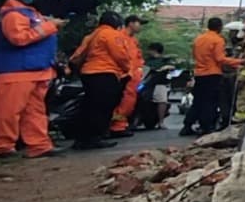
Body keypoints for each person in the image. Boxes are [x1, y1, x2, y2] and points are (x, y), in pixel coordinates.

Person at [0, 0, 68, 159]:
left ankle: (39, 145)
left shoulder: (30, 14)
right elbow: (19, 38)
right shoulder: (13, 15)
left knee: (35, 112)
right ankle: (2, 147)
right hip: (15, 71)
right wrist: (49, 26)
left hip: (35, 71)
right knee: (8, 112)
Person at [70, 11, 132, 150]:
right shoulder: (112, 34)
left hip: (88, 73)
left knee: (89, 107)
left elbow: (77, 55)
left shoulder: (92, 35)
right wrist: (127, 69)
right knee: (102, 108)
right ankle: (95, 138)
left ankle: (82, 139)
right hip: (105, 73)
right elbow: (121, 56)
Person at [183, 17, 243, 136]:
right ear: (219, 27)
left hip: (199, 74)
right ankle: (206, 127)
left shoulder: (199, 39)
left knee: (198, 101)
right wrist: (239, 62)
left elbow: (195, 55)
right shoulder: (218, 40)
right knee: (210, 102)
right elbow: (220, 59)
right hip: (212, 74)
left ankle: (187, 125)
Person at [108, 15, 145, 138]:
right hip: (124, 75)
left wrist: (139, 70)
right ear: (131, 23)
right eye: (139, 23)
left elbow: (138, 58)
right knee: (122, 101)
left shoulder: (133, 40)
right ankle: (116, 126)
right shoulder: (120, 37)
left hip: (132, 77)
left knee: (128, 102)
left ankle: (120, 125)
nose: (140, 27)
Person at [140, 42, 175, 130]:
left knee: (162, 101)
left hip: (160, 83)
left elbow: (172, 67)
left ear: (154, 50)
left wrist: (165, 67)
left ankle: (161, 122)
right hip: (146, 83)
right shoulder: (147, 60)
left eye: (150, 50)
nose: (148, 51)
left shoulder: (164, 60)